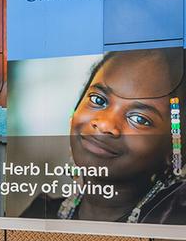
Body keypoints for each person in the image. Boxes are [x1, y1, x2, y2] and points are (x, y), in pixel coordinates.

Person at [22, 48, 186, 224]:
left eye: (139, 119)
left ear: (174, 148)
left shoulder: (171, 229)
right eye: (98, 100)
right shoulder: (39, 215)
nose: (105, 124)